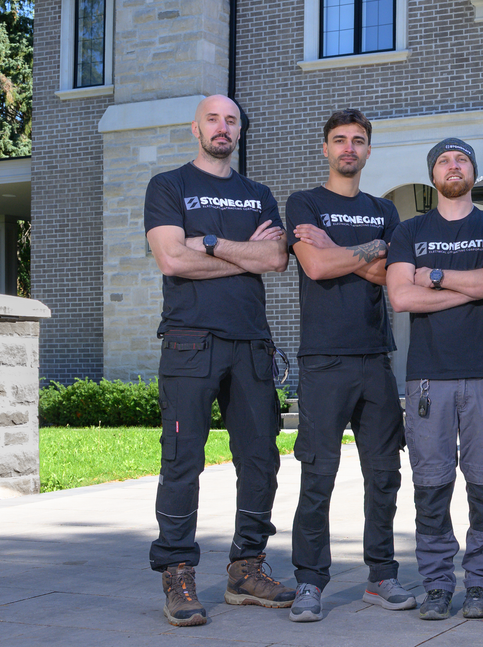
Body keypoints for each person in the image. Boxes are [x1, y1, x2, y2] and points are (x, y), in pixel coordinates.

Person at [144, 94, 293, 627]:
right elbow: (169, 257)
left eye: (232, 119)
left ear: (239, 130)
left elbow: (276, 258)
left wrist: (205, 244)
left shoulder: (258, 195)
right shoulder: (169, 185)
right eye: (214, 118)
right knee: (182, 459)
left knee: (261, 459)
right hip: (190, 342)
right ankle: (178, 571)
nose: (223, 127)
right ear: (196, 128)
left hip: (252, 344)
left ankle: (246, 567)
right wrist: (239, 253)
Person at [284, 109, 414, 622]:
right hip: (323, 360)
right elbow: (315, 267)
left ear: (367, 150)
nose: (348, 148)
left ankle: (381, 575)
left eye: (358, 141)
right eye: (339, 140)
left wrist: (343, 250)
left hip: (375, 358)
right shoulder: (305, 202)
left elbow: (393, 276)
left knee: (384, 474)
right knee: (319, 475)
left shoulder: (385, 210)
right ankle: (310, 582)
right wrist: (369, 251)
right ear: (326, 148)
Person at [385, 138, 483, 621]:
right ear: (432, 173)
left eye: (461, 160)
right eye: (443, 160)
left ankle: (479, 583)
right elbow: (401, 297)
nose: (453, 166)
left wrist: (431, 277)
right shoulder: (410, 230)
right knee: (431, 487)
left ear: (473, 172)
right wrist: (468, 285)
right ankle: (437, 584)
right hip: (427, 382)